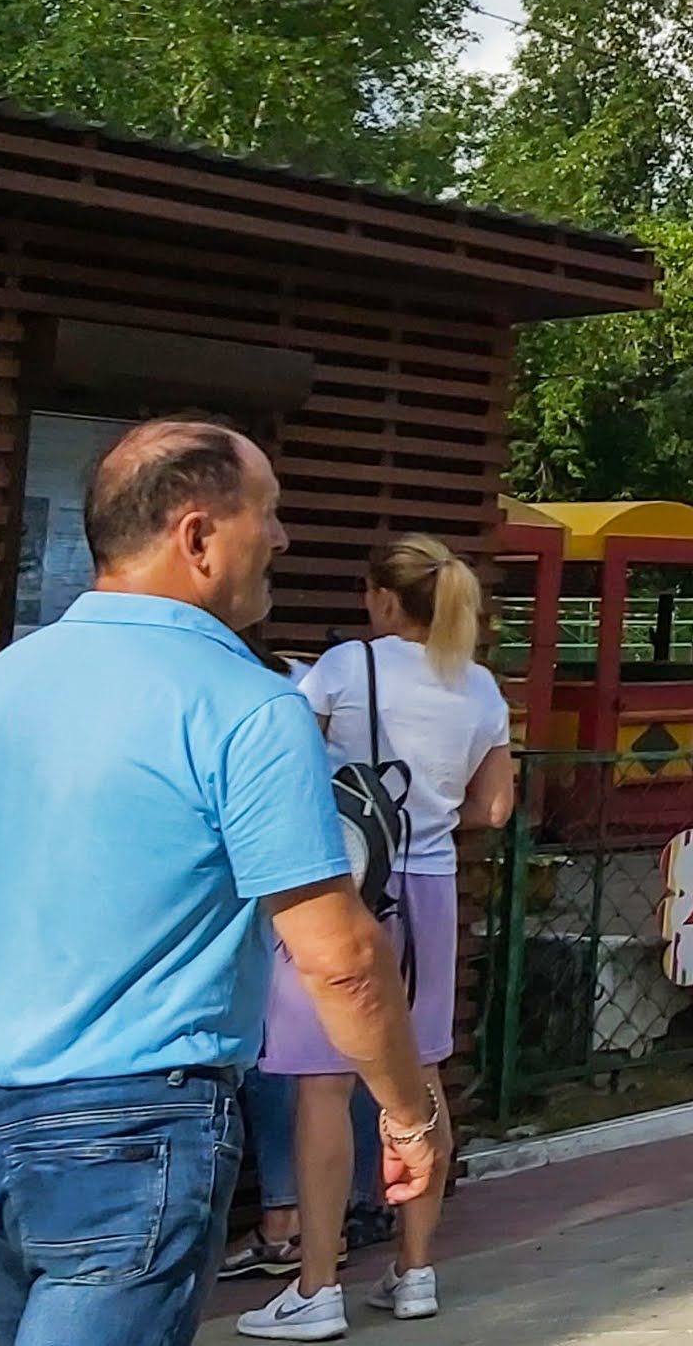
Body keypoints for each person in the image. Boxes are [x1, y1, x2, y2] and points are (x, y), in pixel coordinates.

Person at [0, 419, 439, 1346]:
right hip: (131, 1127)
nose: (282, 539)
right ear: (196, 536)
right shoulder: (248, 705)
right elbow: (342, 955)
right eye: (266, 515)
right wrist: (407, 1110)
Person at [236, 539, 516, 1338]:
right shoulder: (479, 684)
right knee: (418, 1074)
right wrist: (424, 819)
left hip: (339, 880)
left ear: (386, 600)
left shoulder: (342, 665)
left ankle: (316, 1284)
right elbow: (493, 807)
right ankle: (416, 1269)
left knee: (323, 1083)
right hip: (429, 887)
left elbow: (286, 762)